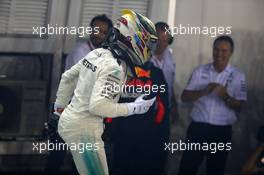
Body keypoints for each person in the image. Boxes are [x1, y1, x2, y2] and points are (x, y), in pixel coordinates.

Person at [55, 9, 158, 175]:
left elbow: (67, 78)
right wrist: (135, 107)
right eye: (147, 43)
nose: (149, 49)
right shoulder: (115, 67)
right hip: (85, 130)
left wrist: (58, 111)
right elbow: (98, 106)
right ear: (133, 39)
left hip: (69, 121)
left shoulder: (98, 53)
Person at [45, 14, 113, 174]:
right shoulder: (80, 52)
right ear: (91, 30)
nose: (99, 35)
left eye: (103, 32)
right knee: (58, 154)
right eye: (96, 30)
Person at [178, 35, 247, 175]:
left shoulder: (238, 75)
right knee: (186, 169)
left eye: (224, 51)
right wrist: (204, 91)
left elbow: (241, 106)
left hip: (221, 132)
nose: (219, 54)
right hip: (198, 129)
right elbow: (184, 97)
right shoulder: (200, 71)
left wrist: (225, 96)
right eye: (216, 50)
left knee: (215, 170)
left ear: (231, 52)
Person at [109, 60, 169, 175]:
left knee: (142, 169)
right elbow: (110, 101)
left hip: (146, 137)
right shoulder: (120, 71)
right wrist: (111, 129)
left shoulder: (156, 73)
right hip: (122, 136)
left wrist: (156, 131)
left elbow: (162, 106)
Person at [150, 22, 178, 123]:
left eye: (165, 41)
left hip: (165, 108)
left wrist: (174, 106)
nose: (161, 45)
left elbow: (170, 84)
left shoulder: (170, 58)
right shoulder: (143, 58)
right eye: (158, 40)